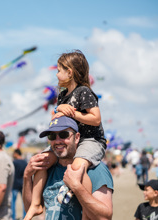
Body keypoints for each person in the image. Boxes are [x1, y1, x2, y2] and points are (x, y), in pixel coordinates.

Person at [25, 50, 106, 219]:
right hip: (70, 137)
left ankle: (86, 213)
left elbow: (96, 119)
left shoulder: (84, 91)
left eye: (58, 70)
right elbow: (56, 120)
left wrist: (71, 114)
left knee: (77, 167)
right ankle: (35, 205)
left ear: (69, 72)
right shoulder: (62, 96)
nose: (56, 74)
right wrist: (58, 109)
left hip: (90, 139)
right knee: (43, 161)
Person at [23, 116, 113, 220]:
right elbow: (30, 208)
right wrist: (27, 176)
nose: (57, 141)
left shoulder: (95, 170)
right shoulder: (47, 170)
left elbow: (104, 217)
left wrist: (77, 187)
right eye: (52, 136)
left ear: (77, 137)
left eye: (63, 134)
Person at [12, 149, 27, 220]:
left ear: (16, 153)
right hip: (23, 184)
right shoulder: (25, 162)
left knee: (13, 202)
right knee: (24, 203)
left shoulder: (14, 162)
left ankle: (13, 217)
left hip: (14, 184)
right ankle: (25, 217)